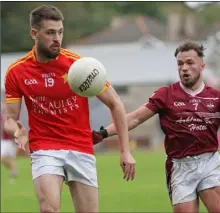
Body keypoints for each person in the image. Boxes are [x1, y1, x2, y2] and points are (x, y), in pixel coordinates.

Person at [4, 5, 136, 213]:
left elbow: (115, 103)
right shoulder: (16, 71)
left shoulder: (80, 66)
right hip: (44, 148)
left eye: (60, 32)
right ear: (34, 33)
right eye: (50, 32)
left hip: (80, 147)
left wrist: (125, 151)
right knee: (48, 209)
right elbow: (10, 119)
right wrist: (17, 131)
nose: (57, 38)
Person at [93, 41, 220, 213]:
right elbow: (135, 118)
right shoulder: (166, 95)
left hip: (209, 162)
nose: (184, 68)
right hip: (180, 166)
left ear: (202, 65)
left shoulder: (217, 97)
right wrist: (103, 133)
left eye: (190, 63)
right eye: (180, 63)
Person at [1, 104, 18, 183]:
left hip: (10, 141)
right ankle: (13, 170)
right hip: (4, 140)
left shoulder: (12, 118)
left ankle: (13, 172)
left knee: (8, 158)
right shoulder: (3, 117)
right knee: (4, 158)